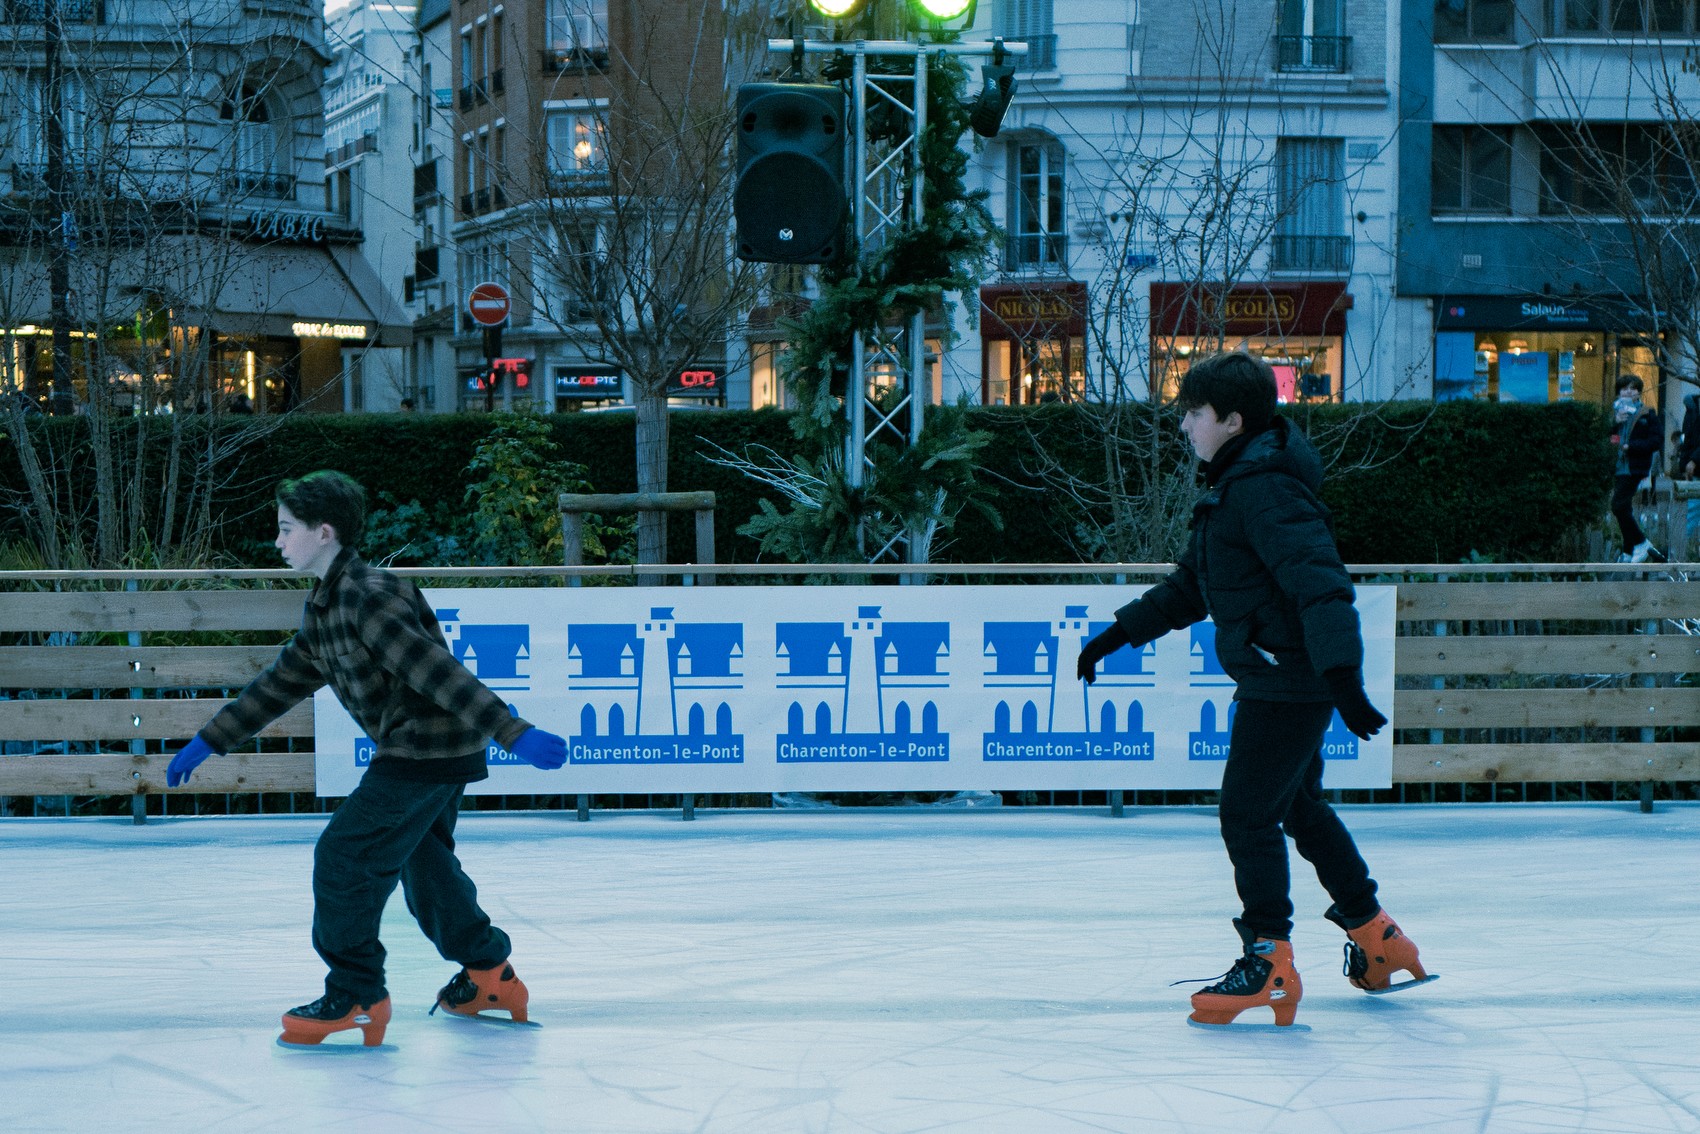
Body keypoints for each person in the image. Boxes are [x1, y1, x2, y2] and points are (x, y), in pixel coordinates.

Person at [1076, 352, 1429, 1029]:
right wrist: (1115, 636)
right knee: (1298, 807)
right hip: (1281, 675)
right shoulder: (1237, 487)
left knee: (1246, 815)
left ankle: (1268, 962)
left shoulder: (1264, 490)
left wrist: (1342, 679)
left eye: (1194, 414)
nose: (1185, 425)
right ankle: (1377, 936)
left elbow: (1321, 585)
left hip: (1287, 680)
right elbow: (1191, 587)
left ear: (1232, 421)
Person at [165, 470, 568, 1048]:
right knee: (426, 868)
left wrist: (511, 731)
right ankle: (490, 977)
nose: (278, 541)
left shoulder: (367, 596)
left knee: (345, 858)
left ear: (323, 532)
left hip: (422, 749)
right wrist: (210, 739)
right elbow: (278, 684)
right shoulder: (325, 607)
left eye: (287, 529)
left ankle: (356, 993)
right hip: (434, 750)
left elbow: (435, 670)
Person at [1609, 375, 1666, 564]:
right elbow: (1607, 437)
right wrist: (1615, 422)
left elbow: (1656, 440)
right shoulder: (1615, 412)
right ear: (1619, 392)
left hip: (1635, 467)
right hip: (1618, 466)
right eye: (1624, 388)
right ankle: (1629, 550)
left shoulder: (1647, 413)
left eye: (1633, 388)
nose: (1628, 392)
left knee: (1617, 505)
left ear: (1639, 392)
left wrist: (1631, 446)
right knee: (1624, 508)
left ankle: (1642, 543)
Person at [1675, 386, 1700, 558]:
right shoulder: (1692, 406)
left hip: (1695, 465)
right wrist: (1684, 465)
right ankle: (1677, 556)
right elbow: (1687, 439)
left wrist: (1694, 460)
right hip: (1695, 472)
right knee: (1689, 514)